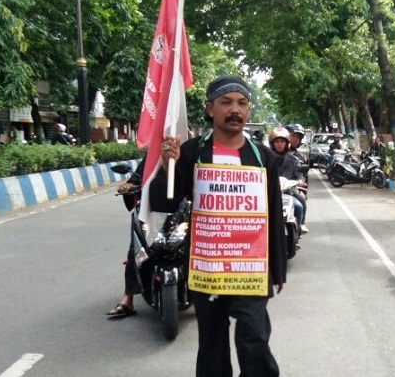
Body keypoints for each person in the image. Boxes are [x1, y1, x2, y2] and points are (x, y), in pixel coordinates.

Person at [150, 75, 286, 377]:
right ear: (210, 109)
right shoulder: (192, 152)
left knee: (255, 340)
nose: (234, 110)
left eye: (241, 103)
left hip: (251, 269)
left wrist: (277, 268)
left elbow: (274, 213)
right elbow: (165, 203)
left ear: (249, 110)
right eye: (226, 103)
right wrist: (166, 166)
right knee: (212, 346)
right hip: (207, 269)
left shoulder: (262, 157)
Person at [106, 157, 146, 318]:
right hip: (150, 211)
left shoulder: (187, 156)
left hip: (180, 210)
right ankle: (127, 299)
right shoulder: (151, 159)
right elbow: (135, 180)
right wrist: (127, 186)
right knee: (135, 250)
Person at [269, 127, 309, 234]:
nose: (279, 144)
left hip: (289, 190)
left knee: (299, 205)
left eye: (282, 141)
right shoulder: (267, 158)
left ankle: (301, 225)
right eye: (277, 142)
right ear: (272, 144)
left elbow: (299, 174)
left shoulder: (294, 160)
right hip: (270, 192)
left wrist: (300, 180)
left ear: (286, 143)